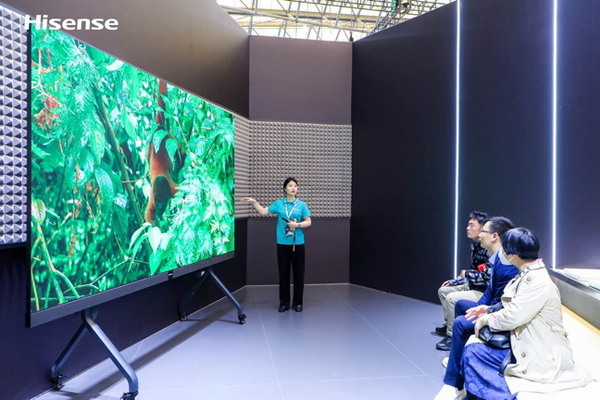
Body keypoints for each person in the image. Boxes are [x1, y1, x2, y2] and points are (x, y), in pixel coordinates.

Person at [461, 228, 592, 400]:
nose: (502, 252)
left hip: (541, 352)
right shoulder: (529, 274)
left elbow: (512, 316)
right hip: (526, 340)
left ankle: (500, 395)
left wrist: (485, 319)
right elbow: (514, 306)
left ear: (513, 255)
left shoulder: (537, 281)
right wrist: (488, 310)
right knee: (473, 348)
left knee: (474, 352)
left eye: (504, 248)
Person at [435, 216, 517, 400]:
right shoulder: (497, 258)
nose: (480, 234)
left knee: (460, 322)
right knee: (461, 304)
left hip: (498, 313)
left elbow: (502, 301)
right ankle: (457, 356)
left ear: (495, 236)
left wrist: (484, 311)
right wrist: (480, 308)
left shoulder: (508, 263)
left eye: (483, 231)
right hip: (490, 305)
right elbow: (490, 291)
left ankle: (453, 384)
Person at [241, 177, 312, 312]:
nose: (293, 188)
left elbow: (308, 222)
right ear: (285, 188)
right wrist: (254, 202)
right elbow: (263, 211)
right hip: (282, 244)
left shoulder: (302, 205)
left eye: (295, 186)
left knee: (299, 274)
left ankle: (298, 303)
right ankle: (284, 303)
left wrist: (296, 225)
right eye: (290, 185)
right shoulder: (279, 204)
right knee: (283, 273)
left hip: (298, 244)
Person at [436, 211, 490, 349]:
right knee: (443, 290)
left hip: (484, 291)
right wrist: (454, 281)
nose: (467, 228)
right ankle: (449, 324)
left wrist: (467, 273)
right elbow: (472, 273)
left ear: (482, 228)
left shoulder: (491, 250)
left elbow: (487, 278)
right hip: (473, 285)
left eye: (471, 225)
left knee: (452, 298)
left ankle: (452, 336)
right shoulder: (477, 246)